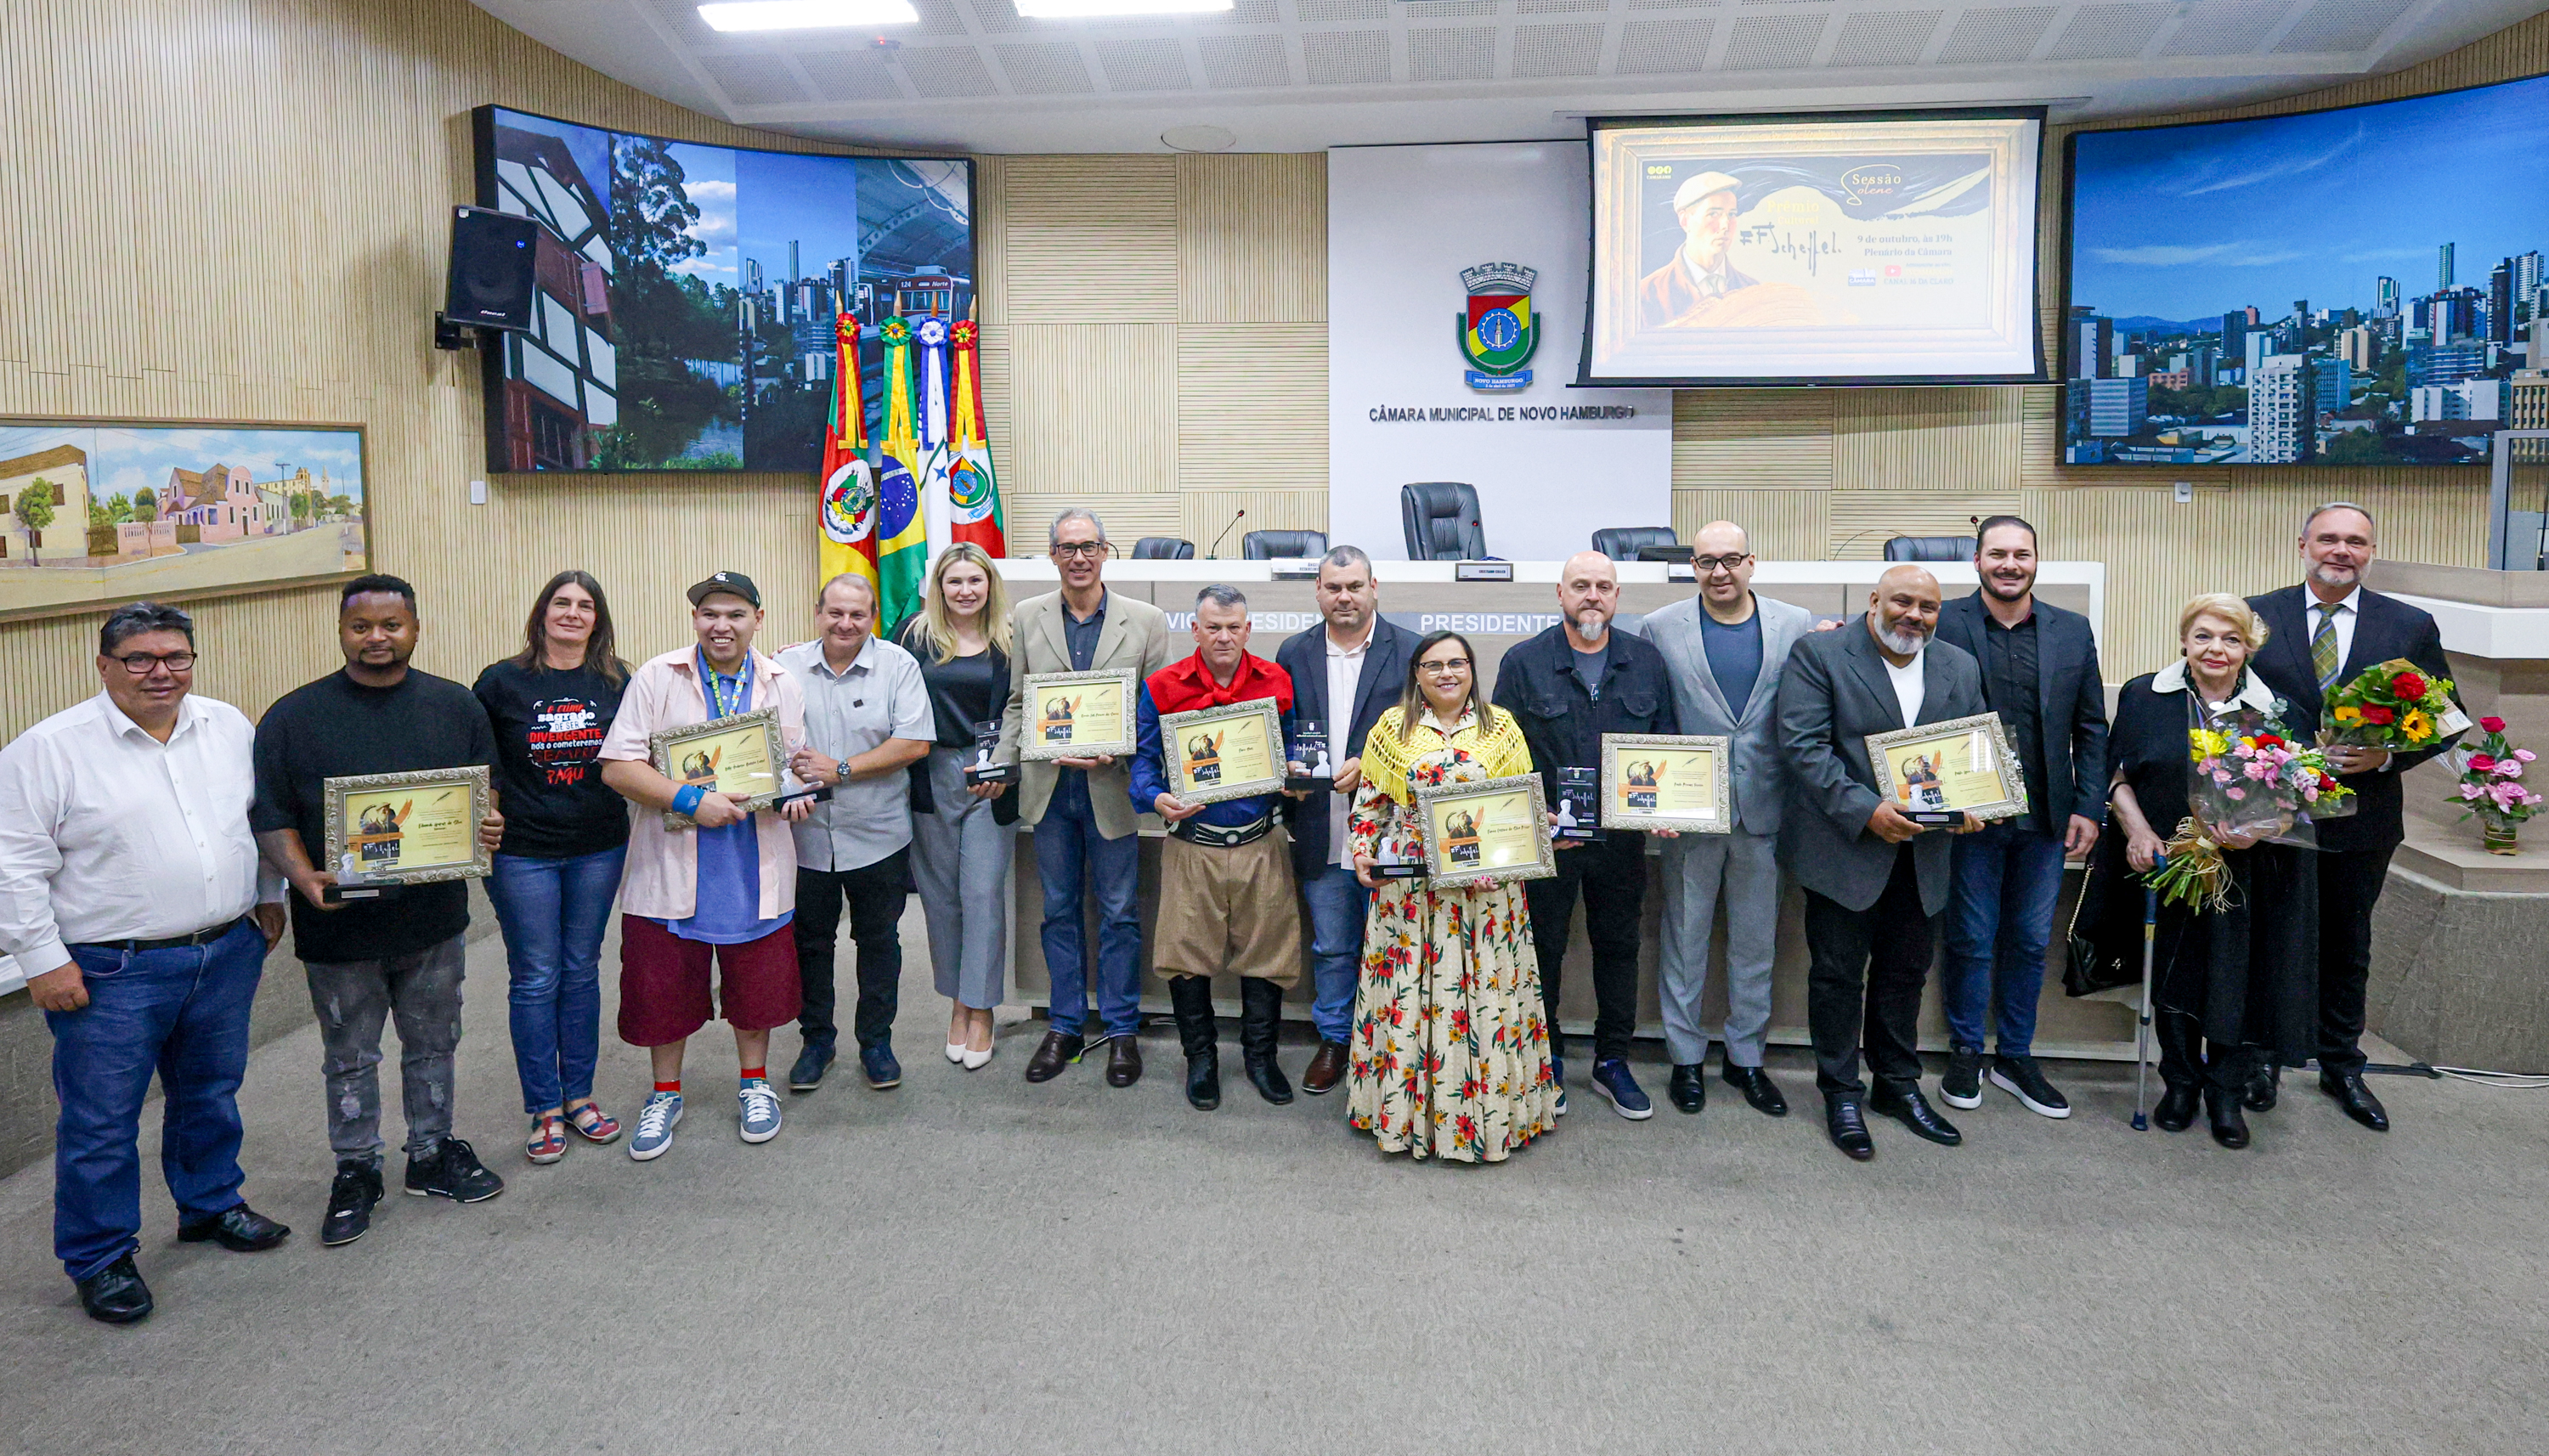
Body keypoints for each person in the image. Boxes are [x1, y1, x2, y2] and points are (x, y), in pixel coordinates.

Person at [0, 603, 291, 1323]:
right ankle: (100, 1257)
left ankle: (210, 1205)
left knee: (210, 1096)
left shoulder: (226, 725)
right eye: (140, 659)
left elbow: (252, 819)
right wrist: (41, 959)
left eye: (176, 657)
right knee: (100, 1123)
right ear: (104, 666)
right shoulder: (48, 750)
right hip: (109, 971)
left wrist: (268, 894)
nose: (161, 672)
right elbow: (14, 866)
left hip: (225, 951)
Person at [252, 574, 507, 1246]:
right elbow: (272, 816)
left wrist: (489, 829)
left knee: (434, 1043)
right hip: (337, 924)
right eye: (361, 627)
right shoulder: (292, 717)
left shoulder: (455, 707)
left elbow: (482, 800)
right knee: (349, 1055)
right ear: (342, 632)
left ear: (415, 629)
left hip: (433, 920)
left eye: (391, 625)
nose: (376, 639)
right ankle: (356, 1168)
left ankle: (430, 1152)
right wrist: (303, 879)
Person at [2245, 502, 2460, 1133]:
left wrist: (2388, 755)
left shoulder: (2409, 625)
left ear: (2370, 552)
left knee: (2347, 943)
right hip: (2271, 812)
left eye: (2356, 542)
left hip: (2362, 819)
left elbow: (2448, 720)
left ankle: (2341, 1063)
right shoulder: (2256, 614)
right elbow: (2221, 698)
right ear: (2303, 543)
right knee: (2270, 936)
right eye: (2329, 539)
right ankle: (2261, 1057)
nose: (2341, 550)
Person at [598, 572, 816, 1161]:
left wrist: (798, 790)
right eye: (710, 614)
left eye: (736, 615)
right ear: (695, 618)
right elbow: (618, 767)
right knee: (662, 991)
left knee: (758, 989)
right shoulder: (656, 676)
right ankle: (665, 1093)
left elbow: (789, 765)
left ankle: (754, 1083)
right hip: (671, 861)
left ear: (758, 620)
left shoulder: (781, 682)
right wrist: (690, 799)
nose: (722, 626)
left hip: (753, 862)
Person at [1777, 564, 1986, 1161]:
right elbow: (1803, 747)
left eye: (1927, 606)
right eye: (1901, 602)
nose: (1913, 616)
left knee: (1905, 976)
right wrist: (1866, 810)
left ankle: (1896, 1085)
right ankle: (1841, 1091)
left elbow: (1973, 750)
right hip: (1846, 849)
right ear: (1874, 601)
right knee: (1838, 977)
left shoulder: (1959, 666)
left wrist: (1977, 800)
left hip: (1926, 858)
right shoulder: (1819, 654)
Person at [2103, 595, 2319, 1148]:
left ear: (2248, 647)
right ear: (2184, 642)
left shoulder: (2281, 712)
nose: (2215, 649)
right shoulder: (2145, 696)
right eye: (2202, 636)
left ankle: (2227, 1091)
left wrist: (2261, 827)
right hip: (2169, 863)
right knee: (2175, 976)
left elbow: (2302, 799)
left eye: (2229, 639)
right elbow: (2115, 776)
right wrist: (2138, 830)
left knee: (2239, 981)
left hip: (2254, 874)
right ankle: (2179, 1083)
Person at [1346, 631, 1557, 1162]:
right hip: (1411, 891)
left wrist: (1529, 837)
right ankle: (1401, 1117)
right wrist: (1362, 852)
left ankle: (1488, 1119)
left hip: (1485, 898)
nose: (1446, 673)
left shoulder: (1501, 726)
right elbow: (1370, 804)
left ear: (1471, 669)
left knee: (1484, 1001)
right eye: (1433, 665)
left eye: (1457, 663)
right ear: (1416, 673)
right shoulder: (1391, 728)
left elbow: (1519, 807)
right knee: (1409, 1002)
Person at [1931, 516, 2109, 1120]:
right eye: (1998, 554)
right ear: (1976, 561)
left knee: (2031, 942)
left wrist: (2089, 806)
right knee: (1971, 940)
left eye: (2022, 554)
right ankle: (1964, 1051)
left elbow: (2090, 727)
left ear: (2038, 560)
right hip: (1970, 816)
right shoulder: (1943, 619)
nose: (2011, 564)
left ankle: (2015, 1055)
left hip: (2047, 819)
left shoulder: (2071, 630)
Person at [1493, 549, 1679, 1119]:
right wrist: (1531, 816)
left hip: (1621, 841)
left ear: (1617, 596)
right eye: (1580, 585)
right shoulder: (1524, 661)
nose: (1591, 595)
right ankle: (1544, 1056)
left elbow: (1666, 743)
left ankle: (1612, 1060)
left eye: (1603, 586)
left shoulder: (1645, 660)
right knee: (1542, 949)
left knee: (1620, 948)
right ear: (1560, 593)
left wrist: (1668, 805)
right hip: (1548, 840)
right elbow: (1500, 752)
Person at [996, 508, 1174, 1088]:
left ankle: (1121, 1028)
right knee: (1058, 911)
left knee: (1121, 912)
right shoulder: (1027, 617)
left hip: (1111, 788)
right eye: (1068, 547)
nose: (1079, 557)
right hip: (1050, 791)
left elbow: (1152, 715)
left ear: (1105, 553)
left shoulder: (1145, 621)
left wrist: (1118, 754)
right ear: (1053, 555)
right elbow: (1021, 703)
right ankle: (1066, 1025)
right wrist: (1005, 760)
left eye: (1089, 546)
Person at [1641, 521, 1813, 1118]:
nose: (1720, 571)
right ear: (1693, 566)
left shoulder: (1797, 623)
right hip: (1690, 815)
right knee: (1683, 942)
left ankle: (1746, 1061)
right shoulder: (1661, 628)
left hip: (1767, 811)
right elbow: (1653, 723)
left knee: (1754, 946)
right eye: (1707, 561)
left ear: (1752, 562)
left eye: (1731, 559)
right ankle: (1685, 1061)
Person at [472, 570, 632, 1165]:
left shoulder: (618, 679)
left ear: (597, 618)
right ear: (542, 613)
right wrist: (481, 819)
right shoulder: (500, 683)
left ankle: (580, 1096)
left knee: (582, 969)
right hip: (523, 853)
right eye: (561, 603)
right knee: (537, 976)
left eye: (584, 605)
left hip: (598, 845)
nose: (571, 613)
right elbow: (477, 766)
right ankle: (543, 1107)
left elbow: (641, 751)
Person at [1131, 584, 1306, 1110]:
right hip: (1191, 844)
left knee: (1269, 956)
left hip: (1260, 841)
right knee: (1186, 957)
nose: (1224, 636)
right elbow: (1143, 761)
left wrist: (1298, 772)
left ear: (1248, 630)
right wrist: (1157, 797)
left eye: (1234, 627)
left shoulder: (1275, 681)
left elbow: (1295, 746)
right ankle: (1201, 1061)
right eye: (1214, 627)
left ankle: (1261, 1059)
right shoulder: (1161, 686)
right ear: (1196, 629)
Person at [776, 574, 932, 1094]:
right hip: (803, 839)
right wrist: (784, 786)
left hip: (878, 834)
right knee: (810, 944)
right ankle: (816, 1041)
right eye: (835, 613)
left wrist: (840, 769)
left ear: (872, 618)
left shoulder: (898, 665)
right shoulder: (783, 668)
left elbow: (913, 743)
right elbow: (760, 740)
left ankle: (876, 1042)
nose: (846, 624)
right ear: (817, 612)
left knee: (879, 941)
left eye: (858, 615)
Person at [1276, 545, 1416, 1095]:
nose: (1344, 597)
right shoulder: (1294, 652)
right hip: (1318, 827)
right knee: (1332, 947)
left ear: (1374, 587)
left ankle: (1390, 1047)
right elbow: (1279, 730)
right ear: (1317, 591)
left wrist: (1378, 765)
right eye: (1333, 587)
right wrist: (1282, 763)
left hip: (1386, 832)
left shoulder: (1409, 652)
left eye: (1354, 586)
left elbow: (1431, 738)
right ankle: (1335, 1041)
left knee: (1393, 945)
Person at [896, 542, 1020, 1070]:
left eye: (975, 581)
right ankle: (957, 1004)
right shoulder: (913, 637)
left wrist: (1004, 766)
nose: (965, 591)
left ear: (989, 585)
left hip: (993, 777)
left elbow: (1024, 707)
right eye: (954, 582)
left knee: (983, 894)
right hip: (930, 774)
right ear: (938, 588)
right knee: (941, 899)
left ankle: (983, 1009)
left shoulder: (1012, 639)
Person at [1638, 172, 1757, 329]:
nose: (1725, 225)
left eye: (1732, 214)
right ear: (1685, 221)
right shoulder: (1647, 294)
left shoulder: (1753, 292)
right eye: (1713, 214)